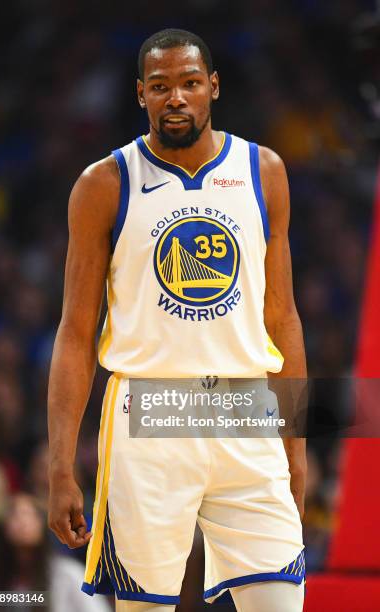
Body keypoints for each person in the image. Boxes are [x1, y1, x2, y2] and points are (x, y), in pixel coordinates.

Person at [47, 28, 307, 612]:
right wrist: (60, 464)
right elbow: (74, 332)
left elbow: (283, 317)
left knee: (283, 602)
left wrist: (297, 445)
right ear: (141, 94)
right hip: (149, 414)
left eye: (190, 83)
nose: (176, 98)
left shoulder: (264, 171)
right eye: (160, 87)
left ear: (213, 87)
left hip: (247, 412)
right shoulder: (103, 185)